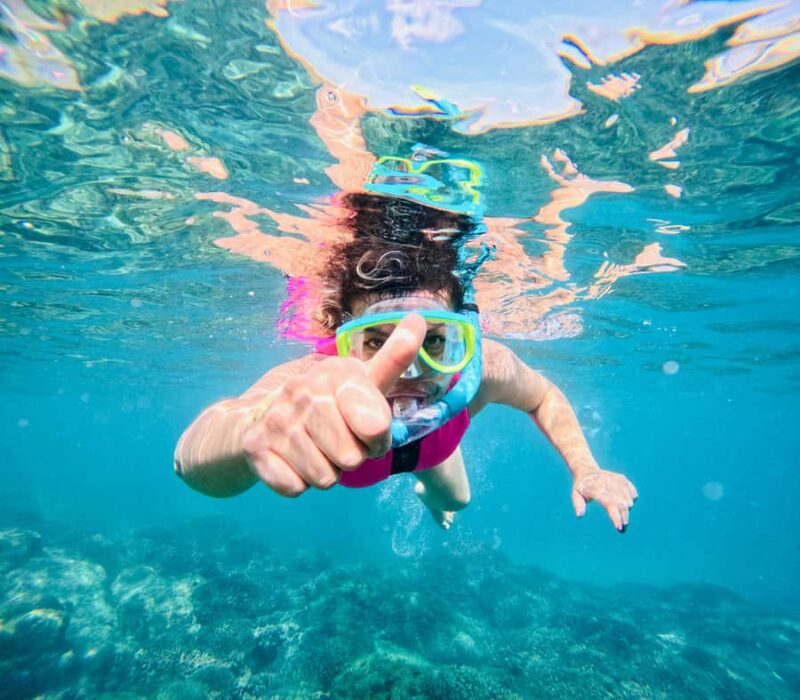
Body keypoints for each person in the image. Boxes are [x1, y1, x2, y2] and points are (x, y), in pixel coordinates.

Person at [174, 194, 638, 532]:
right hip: (429, 445)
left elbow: (542, 396)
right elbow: (188, 461)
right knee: (460, 496)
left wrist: (587, 468)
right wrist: (252, 431)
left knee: (457, 499)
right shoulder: (307, 386)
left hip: (437, 456)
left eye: (435, 342)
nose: (410, 372)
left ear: (463, 336)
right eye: (376, 343)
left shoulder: (484, 368)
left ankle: (426, 494)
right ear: (341, 344)